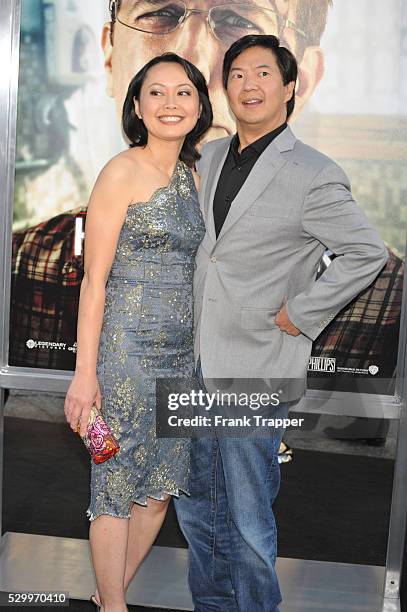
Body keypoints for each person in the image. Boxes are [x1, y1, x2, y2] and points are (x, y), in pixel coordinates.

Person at [10, 1, 403, 427]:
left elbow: (362, 253)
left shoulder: (227, 170)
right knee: (163, 484)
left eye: (236, 21)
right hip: (138, 360)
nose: (193, 55)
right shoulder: (31, 255)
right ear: (110, 57)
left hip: (227, 365)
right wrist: (86, 373)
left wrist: (301, 313)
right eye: (160, 15)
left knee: (199, 484)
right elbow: (98, 281)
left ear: (300, 81)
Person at [174, 35, 389, 611]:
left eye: (263, 74)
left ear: (289, 88)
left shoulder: (313, 171)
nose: (249, 85)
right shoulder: (209, 157)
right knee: (196, 509)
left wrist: (304, 313)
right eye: (238, 74)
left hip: (255, 364)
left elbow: (367, 251)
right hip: (191, 361)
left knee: (246, 518)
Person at [64, 53, 212, 612]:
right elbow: (93, 282)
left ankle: (109, 598)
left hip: (181, 356)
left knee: (159, 492)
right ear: (136, 106)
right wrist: (84, 376)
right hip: (125, 351)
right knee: (116, 484)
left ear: (199, 106)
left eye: (183, 93)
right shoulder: (121, 171)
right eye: (156, 92)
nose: (170, 103)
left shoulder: (197, 176)